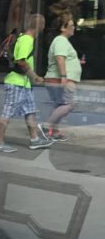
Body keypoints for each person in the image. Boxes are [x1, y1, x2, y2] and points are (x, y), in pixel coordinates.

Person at [0, 14, 52, 153]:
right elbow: (21, 61)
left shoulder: (24, 38)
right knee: (7, 111)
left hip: (24, 84)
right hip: (17, 82)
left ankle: (35, 140)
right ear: (39, 27)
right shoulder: (26, 40)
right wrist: (35, 76)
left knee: (30, 111)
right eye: (43, 25)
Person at [42, 12, 81, 142]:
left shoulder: (61, 41)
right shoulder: (61, 40)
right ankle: (46, 127)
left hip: (57, 78)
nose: (73, 27)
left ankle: (54, 132)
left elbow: (62, 58)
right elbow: (59, 58)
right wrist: (64, 76)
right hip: (61, 79)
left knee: (59, 105)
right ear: (63, 28)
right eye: (71, 25)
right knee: (71, 103)